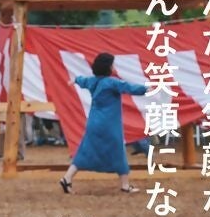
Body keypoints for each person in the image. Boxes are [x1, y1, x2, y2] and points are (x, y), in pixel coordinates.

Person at [59, 52, 148, 194]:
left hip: (94, 122)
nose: (114, 67)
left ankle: (67, 178)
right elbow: (130, 88)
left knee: (85, 151)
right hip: (109, 124)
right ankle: (125, 185)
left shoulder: (92, 81)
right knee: (118, 151)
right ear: (108, 67)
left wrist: (75, 80)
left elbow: (82, 80)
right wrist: (148, 88)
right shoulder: (112, 82)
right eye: (112, 65)